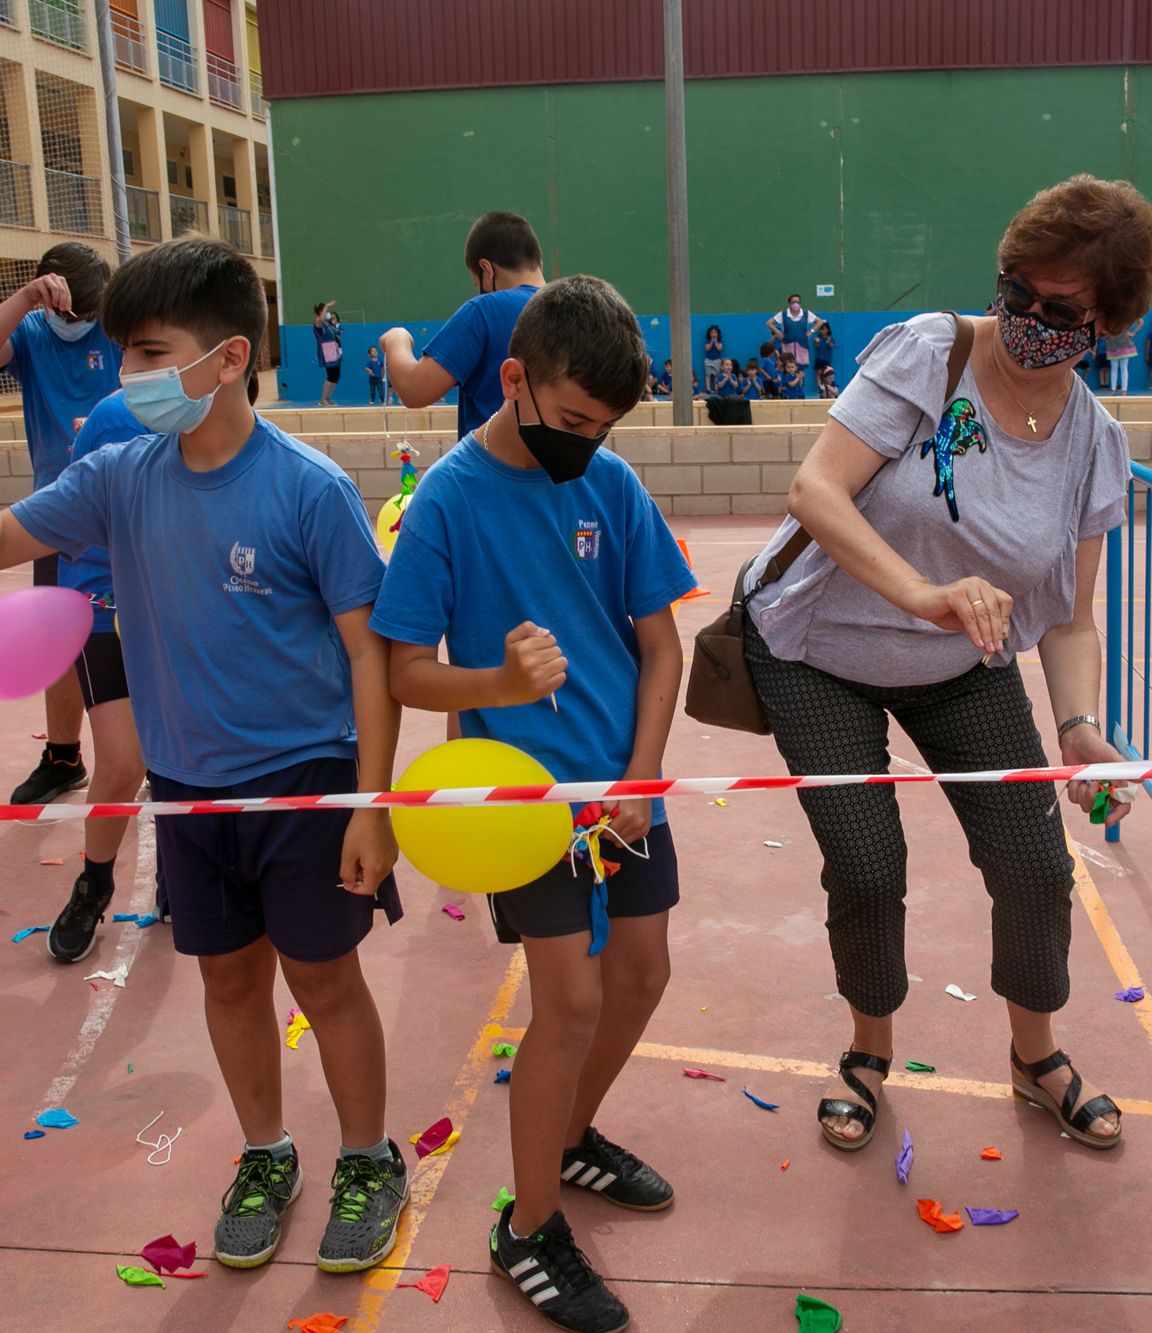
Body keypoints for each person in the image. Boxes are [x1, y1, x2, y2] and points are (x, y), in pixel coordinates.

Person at [0, 236, 406, 1276]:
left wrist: (371, 803)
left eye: (148, 351)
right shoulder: (118, 475)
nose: (127, 375)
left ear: (226, 358)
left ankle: (366, 1156)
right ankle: (267, 1153)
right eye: (124, 352)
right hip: (188, 791)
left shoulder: (308, 488)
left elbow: (370, 654)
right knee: (225, 983)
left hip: (306, 784)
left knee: (325, 981)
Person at [742, 174, 1152, 1161]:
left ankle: (1035, 1055)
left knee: (1030, 862)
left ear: (1108, 320)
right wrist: (918, 593)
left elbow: (1064, 618)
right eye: (1014, 289)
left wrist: (1075, 729)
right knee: (867, 858)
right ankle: (867, 1052)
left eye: (1059, 311)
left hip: (961, 660)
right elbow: (815, 491)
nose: (1025, 319)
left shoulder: (1094, 445)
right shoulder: (933, 356)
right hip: (817, 650)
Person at [372, 275, 692, 1333]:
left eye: (602, 429)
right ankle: (527, 1228)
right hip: (518, 802)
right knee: (568, 1006)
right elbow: (406, 669)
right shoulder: (448, 504)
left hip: (620, 790)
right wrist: (497, 690)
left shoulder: (611, 483)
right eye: (569, 421)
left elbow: (660, 642)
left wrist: (642, 776)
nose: (584, 444)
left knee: (641, 975)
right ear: (512, 381)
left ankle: (567, 1136)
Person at [0, 243, 122, 807]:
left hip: (126, 509)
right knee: (60, 640)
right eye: (63, 312)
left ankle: (153, 750)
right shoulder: (31, 330)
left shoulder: (119, 327)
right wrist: (27, 298)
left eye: (84, 314)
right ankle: (63, 756)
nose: (73, 324)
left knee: (138, 634)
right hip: (55, 512)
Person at [40, 390, 151, 965]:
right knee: (122, 763)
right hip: (104, 604)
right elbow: (48, 517)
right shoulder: (112, 418)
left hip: (180, 607)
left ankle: (184, 872)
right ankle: (94, 884)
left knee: (190, 756)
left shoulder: (220, 410)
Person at [382, 212, 546, 441]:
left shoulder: (484, 311)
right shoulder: (575, 311)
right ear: (539, 263)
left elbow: (414, 390)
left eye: (477, 282)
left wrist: (396, 341)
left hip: (492, 470)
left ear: (486, 269)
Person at [768, 293, 818, 367]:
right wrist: (778, 333)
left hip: (802, 346)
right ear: (789, 303)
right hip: (787, 346)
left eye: (797, 302)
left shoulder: (806, 314)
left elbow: (819, 322)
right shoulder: (783, 314)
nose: (795, 304)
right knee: (787, 368)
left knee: (801, 371)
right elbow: (769, 323)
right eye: (793, 302)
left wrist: (811, 332)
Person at [314, 300, 343, 406]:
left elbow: (337, 333)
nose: (328, 313)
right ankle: (323, 400)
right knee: (331, 375)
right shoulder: (318, 321)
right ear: (321, 311)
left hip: (333, 349)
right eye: (326, 310)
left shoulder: (328, 324)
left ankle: (328, 398)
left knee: (336, 375)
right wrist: (327, 305)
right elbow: (321, 318)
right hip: (327, 350)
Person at [1105, 319, 1138, 394]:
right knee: (1114, 368)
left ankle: (1124, 390)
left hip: (1124, 344)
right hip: (1112, 344)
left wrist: (1134, 332)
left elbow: (1140, 321)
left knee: (1123, 368)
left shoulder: (1126, 316)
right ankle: (1113, 390)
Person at [811, 318, 837, 382]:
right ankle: (819, 387)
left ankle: (828, 386)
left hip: (827, 359)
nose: (822, 331)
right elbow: (816, 347)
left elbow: (831, 347)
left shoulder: (830, 338)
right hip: (819, 359)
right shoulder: (818, 338)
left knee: (827, 373)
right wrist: (817, 342)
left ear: (827, 330)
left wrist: (828, 341)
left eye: (824, 329)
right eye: (821, 329)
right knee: (818, 373)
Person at [702, 324, 725, 392]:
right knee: (708, 374)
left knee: (716, 375)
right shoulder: (708, 342)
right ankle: (708, 388)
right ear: (709, 334)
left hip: (717, 360)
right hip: (708, 360)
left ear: (718, 334)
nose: (713, 334)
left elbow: (719, 349)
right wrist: (711, 342)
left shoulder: (720, 342)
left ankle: (716, 388)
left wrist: (715, 342)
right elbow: (707, 349)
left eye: (715, 332)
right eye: (712, 332)